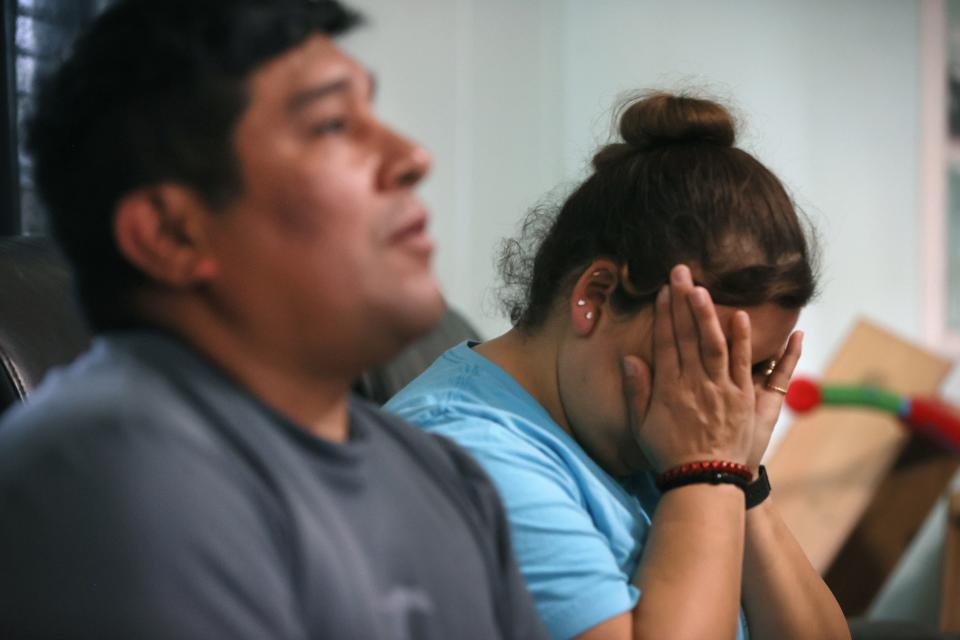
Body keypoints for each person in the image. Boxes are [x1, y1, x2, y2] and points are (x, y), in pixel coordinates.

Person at [0, 1, 548, 638]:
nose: (413, 156)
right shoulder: (100, 488)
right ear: (173, 233)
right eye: (333, 124)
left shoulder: (447, 477)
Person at [386, 93, 851, 640]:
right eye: (707, 362)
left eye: (754, 370)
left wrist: (739, 475)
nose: (726, 403)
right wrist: (706, 471)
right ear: (596, 295)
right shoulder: (467, 459)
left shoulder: (664, 442)